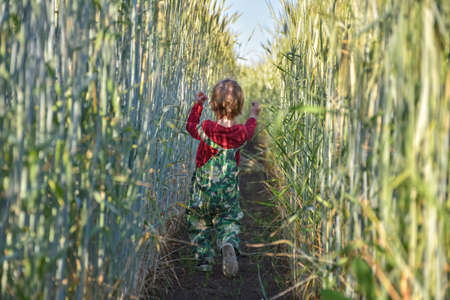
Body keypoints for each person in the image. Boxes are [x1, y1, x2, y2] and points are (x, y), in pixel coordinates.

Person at [185, 78, 260, 277]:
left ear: (212, 104)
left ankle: (204, 262)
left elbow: (190, 125)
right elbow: (250, 130)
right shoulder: (240, 133)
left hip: (203, 192)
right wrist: (253, 116)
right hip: (227, 194)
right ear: (240, 107)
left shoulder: (206, 128)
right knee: (229, 220)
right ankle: (228, 242)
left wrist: (197, 106)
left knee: (200, 222)